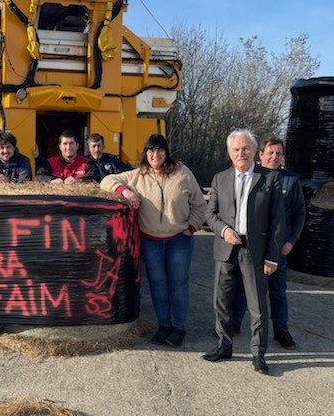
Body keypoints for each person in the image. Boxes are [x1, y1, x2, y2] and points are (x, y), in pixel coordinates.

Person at [101, 134, 206, 347]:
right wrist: (126, 191)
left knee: (178, 283)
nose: (154, 155)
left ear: (166, 153)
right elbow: (106, 181)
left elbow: (199, 204)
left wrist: (192, 227)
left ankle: (179, 327)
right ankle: (164, 325)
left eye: (159, 150)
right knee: (157, 284)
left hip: (179, 240)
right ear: (145, 154)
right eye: (150, 151)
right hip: (151, 241)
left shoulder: (183, 173)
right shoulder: (138, 175)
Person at [204, 129, 285, 375]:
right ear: (230, 153)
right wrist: (223, 230)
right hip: (226, 247)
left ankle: (258, 355)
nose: (241, 153)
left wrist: (273, 256)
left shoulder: (270, 179)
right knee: (222, 302)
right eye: (236, 149)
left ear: (254, 151)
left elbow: (278, 222)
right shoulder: (220, 178)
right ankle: (223, 345)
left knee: (258, 306)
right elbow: (210, 214)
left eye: (246, 148)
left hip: (256, 250)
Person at [232, 137, 305, 349]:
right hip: (250, 248)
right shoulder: (249, 177)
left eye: (279, 154)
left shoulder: (290, 181)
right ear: (260, 154)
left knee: (278, 292)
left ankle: (281, 330)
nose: (274, 157)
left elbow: (300, 213)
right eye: (270, 153)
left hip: (278, 249)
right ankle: (235, 323)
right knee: (243, 288)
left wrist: (291, 241)